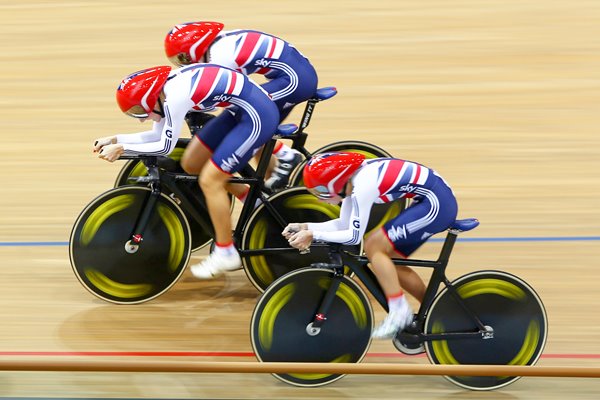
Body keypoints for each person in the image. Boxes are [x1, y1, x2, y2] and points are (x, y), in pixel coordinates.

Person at [93, 64, 280, 279]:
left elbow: (165, 146)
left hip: (257, 116)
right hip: (240, 111)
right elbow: (156, 136)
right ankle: (252, 200)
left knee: (210, 181)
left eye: (138, 111)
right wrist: (116, 139)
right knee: (192, 163)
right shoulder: (163, 93)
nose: (141, 118)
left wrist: (123, 148)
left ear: (149, 98)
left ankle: (226, 251)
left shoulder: (175, 97)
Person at [282, 152, 458, 339]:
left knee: (374, 246)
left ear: (335, 182)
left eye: (320, 191)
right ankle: (435, 311)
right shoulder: (351, 180)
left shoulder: (363, 185)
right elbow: (344, 224)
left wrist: (313, 235)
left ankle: (399, 312)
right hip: (430, 198)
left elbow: (353, 237)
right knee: (389, 261)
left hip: (437, 204)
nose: (319, 198)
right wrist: (305, 227)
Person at [164, 21, 319, 191]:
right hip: (293, 74)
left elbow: (231, 95)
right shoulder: (214, 48)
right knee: (245, 117)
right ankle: (272, 197)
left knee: (250, 114)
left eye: (183, 58)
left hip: (296, 81)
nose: (182, 64)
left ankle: (285, 154)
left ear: (198, 48)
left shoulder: (221, 56)